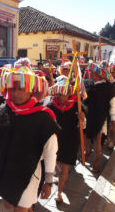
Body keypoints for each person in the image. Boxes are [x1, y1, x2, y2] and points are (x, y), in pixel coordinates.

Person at [0, 65, 60, 212]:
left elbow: (50, 151)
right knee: (8, 204)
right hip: (7, 169)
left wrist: (48, 181)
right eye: (13, 88)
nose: (16, 93)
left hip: (29, 171)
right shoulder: (4, 111)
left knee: (21, 208)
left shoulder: (44, 118)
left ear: (32, 90)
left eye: (21, 88)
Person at [46, 75, 86, 203]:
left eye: (66, 93)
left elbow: (83, 126)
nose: (63, 96)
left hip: (70, 140)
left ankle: (59, 193)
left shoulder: (78, 106)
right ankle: (58, 178)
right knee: (57, 162)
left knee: (65, 167)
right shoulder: (51, 105)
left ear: (70, 93)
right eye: (60, 93)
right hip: (55, 140)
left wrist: (82, 119)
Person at [84, 62, 115, 172]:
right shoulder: (88, 83)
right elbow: (84, 99)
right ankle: (87, 151)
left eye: (93, 72)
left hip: (100, 118)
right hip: (88, 116)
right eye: (91, 72)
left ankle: (96, 163)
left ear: (100, 75)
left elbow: (113, 106)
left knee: (97, 141)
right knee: (84, 136)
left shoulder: (109, 87)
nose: (91, 73)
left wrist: (113, 121)